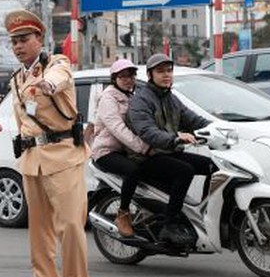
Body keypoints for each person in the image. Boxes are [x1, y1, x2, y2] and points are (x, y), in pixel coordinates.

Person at [5, 9, 91, 277]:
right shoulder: (17, 79)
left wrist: (47, 85)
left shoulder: (56, 64)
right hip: (32, 159)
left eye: (24, 39)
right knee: (38, 231)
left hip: (62, 156)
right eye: (14, 41)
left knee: (70, 226)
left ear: (39, 38)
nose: (18, 46)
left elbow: (60, 79)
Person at [128, 53, 212, 246]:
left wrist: (219, 128)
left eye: (169, 70)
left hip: (168, 151)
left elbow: (194, 119)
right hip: (146, 156)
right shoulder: (141, 100)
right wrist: (175, 137)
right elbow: (148, 132)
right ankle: (169, 224)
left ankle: (205, 214)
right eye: (160, 71)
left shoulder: (171, 98)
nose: (166, 75)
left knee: (213, 167)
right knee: (185, 171)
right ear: (150, 75)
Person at [90, 59, 150, 237]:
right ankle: (123, 213)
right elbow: (117, 128)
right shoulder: (108, 98)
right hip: (106, 152)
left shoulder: (132, 96)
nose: (128, 79)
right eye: (123, 76)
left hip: (126, 150)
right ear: (114, 78)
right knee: (132, 171)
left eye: (131, 75)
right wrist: (142, 147)